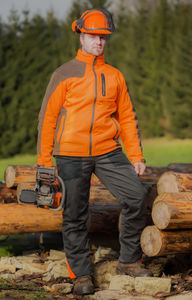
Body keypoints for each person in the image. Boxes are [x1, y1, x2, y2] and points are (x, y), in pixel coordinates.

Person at [37, 8, 152, 295]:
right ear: (81, 36)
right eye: (93, 36)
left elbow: (127, 117)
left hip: (108, 150)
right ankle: (81, 275)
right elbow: (47, 118)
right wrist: (44, 160)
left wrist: (136, 155)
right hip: (70, 154)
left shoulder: (115, 76)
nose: (99, 42)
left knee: (137, 197)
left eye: (103, 37)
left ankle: (128, 260)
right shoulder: (64, 74)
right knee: (75, 214)